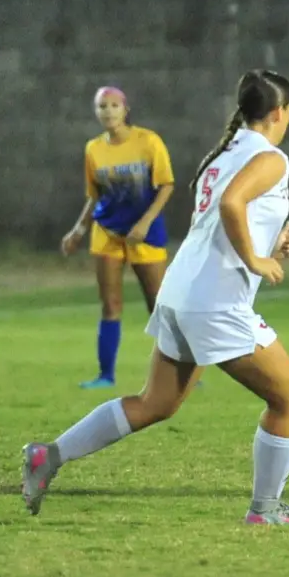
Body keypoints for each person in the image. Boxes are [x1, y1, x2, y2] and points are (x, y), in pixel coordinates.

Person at [22, 69, 289, 526]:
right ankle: (265, 509)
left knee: (155, 403)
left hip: (181, 292)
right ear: (280, 112)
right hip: (215, 303)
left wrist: (270, 246)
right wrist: (255, 260)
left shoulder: (226, 151)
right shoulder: (271, 158)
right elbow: (231, 204)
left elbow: (220, 221)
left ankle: (49, 455)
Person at [61, 86, 176, 389]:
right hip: (107, 232)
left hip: (144, 234)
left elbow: (166, 185)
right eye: (102, 106)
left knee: (158, 304)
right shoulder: (93, 149)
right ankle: (105, 376)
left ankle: (178, 373)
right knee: (110, 305)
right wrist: (78, 229)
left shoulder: (148, 141)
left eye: (114, 105)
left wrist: (145, 223)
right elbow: (95, 194)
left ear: (126, 110)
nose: (108, 111)